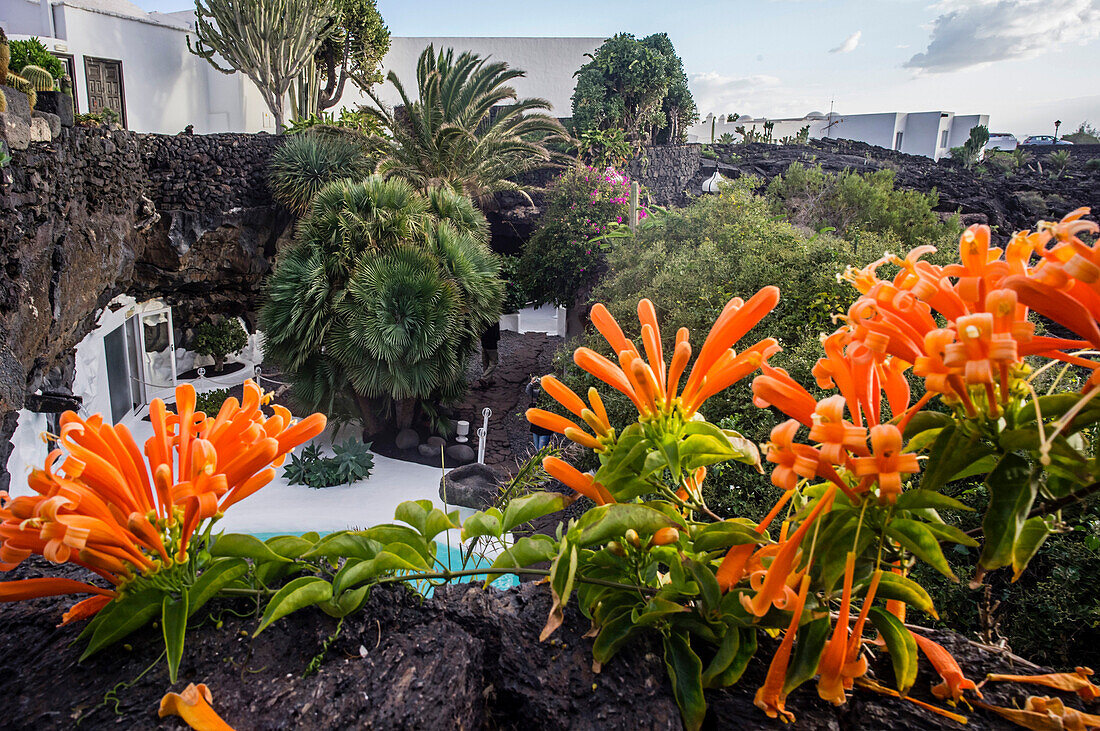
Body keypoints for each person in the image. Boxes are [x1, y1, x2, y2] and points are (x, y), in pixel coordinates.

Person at [526, 376, 552, 450]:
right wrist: (531, 383)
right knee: (537, 448)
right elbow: (529, 391)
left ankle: (543, 461)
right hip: (537, 423)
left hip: (546, 425)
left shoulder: (554, 396)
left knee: (541, 449)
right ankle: (541, 461)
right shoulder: (540, 393)